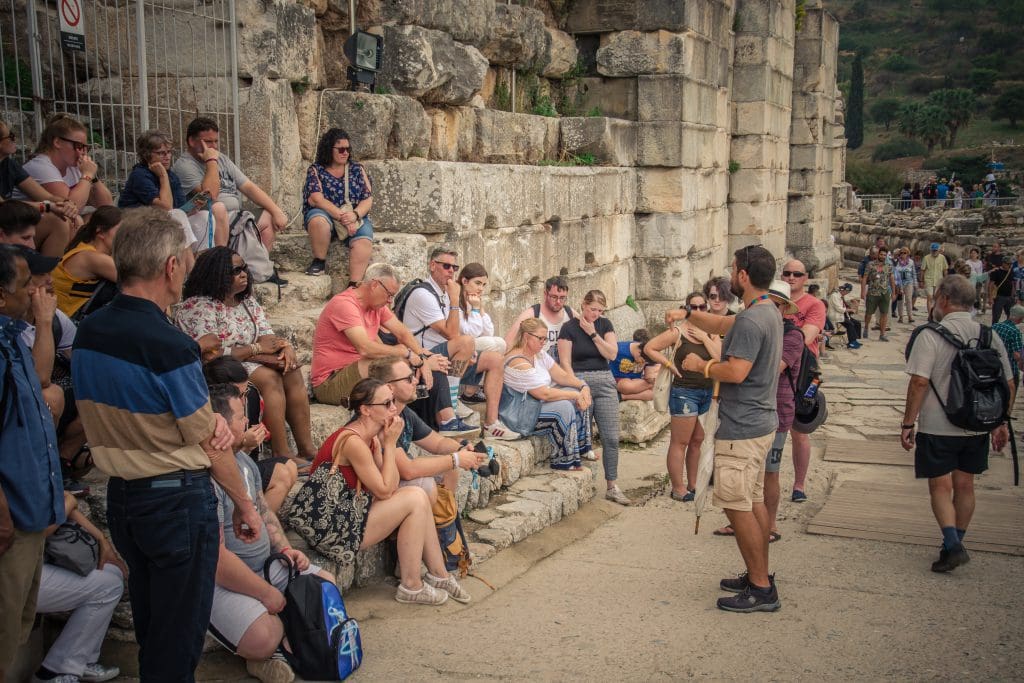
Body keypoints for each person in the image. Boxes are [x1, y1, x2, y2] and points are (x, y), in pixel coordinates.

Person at [71, 207, 261, 681]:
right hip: (175, 497)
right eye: (186, 259)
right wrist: (244, 503)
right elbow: (210, 441)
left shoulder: (89, 329)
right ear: (170, 267)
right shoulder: (170, 344)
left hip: (124, 497)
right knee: (178, 637)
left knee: (155, 625)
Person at [666, 244, 783, 613]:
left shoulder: (751, 320)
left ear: (744, 276)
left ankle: (761, 588)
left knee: (737, 507)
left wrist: (700, 366)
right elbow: (718, 324)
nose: (731, 274)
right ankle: (758, 573)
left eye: (734, 269)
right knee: (754, 500)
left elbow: (735, 371)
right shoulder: (766, 310)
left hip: (743, 427)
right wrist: (686, 314)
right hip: (760, 420)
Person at [204, 384, 333, 682]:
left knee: (325, 585)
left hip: (265, 567)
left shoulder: (244, 462)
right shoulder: (206, 478)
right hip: (225, 581)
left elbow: (265, 514)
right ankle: (268, 650)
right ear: (219, 423)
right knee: (264, 635)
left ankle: (282, 642)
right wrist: (266, 594)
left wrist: (287, 551)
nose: (247, 424)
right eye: (239, 418)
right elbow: (216, 560)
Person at [310, 378, 471, 606]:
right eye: (386, 404)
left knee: (417, 494)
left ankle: (439, 575)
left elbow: (391, 484)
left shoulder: (373, 437)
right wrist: (390, 444)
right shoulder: (353, 441)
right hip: (333, 527)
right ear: (365, 410)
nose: (394, 409)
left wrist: (386, 444)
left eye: (393, 401)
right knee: (415, 497)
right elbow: (385, 491)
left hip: (352, 513)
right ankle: (412, 586)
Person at [901, 275, 1012, 572]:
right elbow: (1009, 383)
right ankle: (955, 542)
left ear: (944, 300)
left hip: (939, 424)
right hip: (977, 423)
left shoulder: (931, 335)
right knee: (966, 485)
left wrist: (908, 423)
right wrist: (1000, 422)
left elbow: (920, 382)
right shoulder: (989, 335)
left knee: (940, 486)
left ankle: (952, 544)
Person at [176, 247, 315, 468]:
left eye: (244, 268)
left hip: (248, 358)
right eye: (235, 270)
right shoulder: (198, 306)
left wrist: (285, 347)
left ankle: (307, 449)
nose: (243, 274)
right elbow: (212, 352)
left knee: (292, 370)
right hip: (217, 365)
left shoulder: (247, 302)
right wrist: (256, 349)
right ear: (217, 274)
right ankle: (281, 451)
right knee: (270, 378)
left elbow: (268, 336)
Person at [0, 245, 66, 680]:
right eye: (27, 286)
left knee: (17, 627)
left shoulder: (13, 339)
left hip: (28, 513)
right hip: (9, 519)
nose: (37, 293)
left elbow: (42, 382)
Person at [309, 263, 474, 437]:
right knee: (394, 364)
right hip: (331, 381)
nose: (390, 301)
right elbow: (365, 348)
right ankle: (438, 419)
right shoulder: (345, 304)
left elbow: (402, 332)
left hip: (358, 372)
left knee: (428, 359)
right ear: (374, 285)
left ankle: (444, 419)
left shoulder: (376, 306)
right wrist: (407, 354)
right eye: (389, 295)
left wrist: (422, 356)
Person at [400, 247, 507, 437]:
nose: (451, 271)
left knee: (495, 359)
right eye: (446, 266)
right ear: (433, 266)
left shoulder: (443, 293)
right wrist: (455, 299)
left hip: (447, 355)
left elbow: (456, 331)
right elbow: (451, 333)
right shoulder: (423, 294)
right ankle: (451, 407)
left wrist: (468, 348)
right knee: (466, 342)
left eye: (454, 267)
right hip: (425, 352)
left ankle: (491, 423)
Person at [356, 357, 487, 502]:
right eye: (408, 379)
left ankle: (443, 522)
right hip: (368, 494)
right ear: (390, 388)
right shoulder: (380, 418)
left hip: (390, 480)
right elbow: (408, 470)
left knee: (450, 470)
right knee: (426, 485)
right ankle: (429, 522)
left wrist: (462, 449)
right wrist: (456, 459)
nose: (416, 381)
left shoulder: (404, 412)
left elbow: (437, 443)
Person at [32, 492, 124, 683]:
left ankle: (79, 663)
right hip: (16, 576)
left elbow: (62, 497)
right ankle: (54, 672)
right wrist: (66, 506)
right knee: (109, 587)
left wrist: (101, 539)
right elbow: (34, 534)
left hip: (35, 564)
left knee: (112, 572)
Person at [643, 292, 720, 503]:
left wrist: (704, 336)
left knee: (697, 441)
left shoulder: (712, 333)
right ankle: (678, 487)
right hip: (684, 391)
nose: (697, 312)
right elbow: (650, 347)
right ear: (686, 309)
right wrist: (668, 365)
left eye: (702, 307)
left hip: (707, 391)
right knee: (681, 442)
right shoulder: (678, 332)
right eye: (692, 307)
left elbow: (720, 358)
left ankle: (693, 484)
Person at [557, 289, 630, 505]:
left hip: (605, 381)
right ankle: (582, 485)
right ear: (583, 305)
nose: (596, 313)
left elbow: (612, 354)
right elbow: (565, 363)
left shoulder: (604, 325)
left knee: (611, 437)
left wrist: (592, 333)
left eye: (600, 310)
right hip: (581, 381)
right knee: (583, 438)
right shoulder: (568, 328)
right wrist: (577, 387)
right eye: (592, 309)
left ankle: (612, 485)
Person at [171, 117, 287, 252]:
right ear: (191, 141)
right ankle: (223, 261)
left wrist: (276, 211)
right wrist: (211, 161)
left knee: (268, 216)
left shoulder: (222, 159)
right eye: (208, 142)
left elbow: (248, 187)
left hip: (235, 215)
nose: (214, 147)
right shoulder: (185, 165)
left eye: (216, 141)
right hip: (211, 217)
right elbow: (211, 195)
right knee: (219, 208)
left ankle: (259, 268)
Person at [203, 357, 299, 514]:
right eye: (237, 394)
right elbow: (214, 462)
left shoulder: (250, 397)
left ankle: (260, 529)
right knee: (281, 473)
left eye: (244, 392)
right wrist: (242, 444)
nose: (243, 400)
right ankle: (253, 528)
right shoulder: (208, 410)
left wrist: (247, 445)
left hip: (242, 467)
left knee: (287, 466)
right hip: (216, 476)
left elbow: (248, 464)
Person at [500, 318, 595, 472]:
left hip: (535, 406)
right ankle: (565, 460)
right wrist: (573, 395)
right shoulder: (517, 361)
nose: (544, 342)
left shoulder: (539, 355)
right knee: (564, 406)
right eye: (540, 338)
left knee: (577, 394)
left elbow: (562, 376)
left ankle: (582, 448)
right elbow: (543, 393)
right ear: (526, 337)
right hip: (520, 415)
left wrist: (583, 386)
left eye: (545, 338)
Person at [11, 115, 114, 255]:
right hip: (23, 227)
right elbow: (70, 207)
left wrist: (93, 177)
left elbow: (106, 205)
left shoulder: (73, 166)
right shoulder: (41, 166)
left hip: (53, 225)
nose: (82, 152)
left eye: (86, 148)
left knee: (101, 218)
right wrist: (87, 176)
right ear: (58, 142)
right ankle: (64, 270)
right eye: (78, 146)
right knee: (66, 219)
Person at [119, 129, 218, 265]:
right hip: (137, 225)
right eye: (161, 153)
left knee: (205, 217)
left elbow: (179, 210)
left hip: (163, 222)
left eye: (169, 152)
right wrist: (162, 176)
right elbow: (166, 207)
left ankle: (205, 265)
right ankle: (191, 270)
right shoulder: (140, 175)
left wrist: (193, 206)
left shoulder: (172, 176)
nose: (167, 157)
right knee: (176, 215)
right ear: (147, 155)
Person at [780, 259, 826, 502]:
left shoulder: (814, 305)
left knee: (800, 430)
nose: (791, 277)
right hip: (779, 368)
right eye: (787, 273)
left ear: (805, 277)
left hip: (805, 372)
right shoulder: (774, 300)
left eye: (796, 274)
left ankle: (799, 484)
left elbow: (807, 335)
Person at [302, 128, 373, 282]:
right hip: (327, 214)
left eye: (348, 149)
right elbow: (316, 199)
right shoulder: (316, 170)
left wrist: (354, 215)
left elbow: (367, 199)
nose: (345, 153)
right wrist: (343, 218)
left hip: (354, 215)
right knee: (318, 221)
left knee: (364, 241)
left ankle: (353, 285)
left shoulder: (357, 169)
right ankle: (319, 261)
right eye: (341, 149)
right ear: (329, 149)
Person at [0, 118, 78, 257]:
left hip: (8, 223)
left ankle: (47, 275)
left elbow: (45, 196)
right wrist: (48, 206)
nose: (14, 138)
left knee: (66, 218)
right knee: (57, 222)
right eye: (10, 136)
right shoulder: (40, 165)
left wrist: (65, 203)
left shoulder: (9, 164)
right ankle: (45, 275)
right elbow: (3, 205)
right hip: (6, 224)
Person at [763, 280, 803, 544]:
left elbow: (772, 368)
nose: (771, 309)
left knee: (770, 470)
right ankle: (745, 520)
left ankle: (770, 523)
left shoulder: (792, 336)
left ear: (785, 309)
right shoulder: (762, 330)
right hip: (754, 409)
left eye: (776, 305)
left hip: (778, 410)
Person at [52, 206, 120, 320]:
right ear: (101, 233)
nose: (125, 237)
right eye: (121, 232)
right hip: (65, 321)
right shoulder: (92, 258)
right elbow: (137, 281)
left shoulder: (85, 247)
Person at [455, 262, 505, 402]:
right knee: (492, 344)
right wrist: (476, 309)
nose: (481, 289)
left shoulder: (472, 299)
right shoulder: (455, 299)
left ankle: (471, 391)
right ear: (465, 281)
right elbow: (471, 332)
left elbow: (488, 331)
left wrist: (480, 308)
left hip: (468, 343)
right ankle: (470, 391)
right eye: (477, 283)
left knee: (500, 343)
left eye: (483, 285)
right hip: (457, 345)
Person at [504, 275, 575, 364]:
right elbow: (508, 343)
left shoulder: (570, 314)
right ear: (545, 294)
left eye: (562, 298)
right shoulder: (532, 314)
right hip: (538, 369)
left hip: (564, 368)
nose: (558, 302)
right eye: (554, 297)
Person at [609, 329, 656, 401]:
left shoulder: (648, 353)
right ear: (639, 352)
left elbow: (649, 376)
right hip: (619, 380)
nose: (643, 363)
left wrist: (651, 379)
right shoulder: (619, 349)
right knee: (626, 385)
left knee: (654, 394)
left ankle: (622, 396)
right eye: (643, 361)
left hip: (637, 382)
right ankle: (629, 393)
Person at [862, 246, 896, 342]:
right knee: (869, 313)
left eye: (885, 255)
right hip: (873, 292)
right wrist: (863, 291)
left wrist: (894, 292)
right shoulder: (870, 264)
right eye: (881, 254)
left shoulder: (889, 265)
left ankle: (882, 334)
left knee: (884, 313)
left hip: (884, 292)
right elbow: (865, 278)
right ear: (878, 254)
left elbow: (892, 279)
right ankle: (866, 327)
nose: (883, 256)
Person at [992, 306, 1023, 397]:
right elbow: (1017, 355)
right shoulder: (1015, 331)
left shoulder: (995, 326)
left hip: (994, 367)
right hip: (1010, 369)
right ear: (1020, 319)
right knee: (1010, 396)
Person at [827, 283, 862, 349]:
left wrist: (853, 301)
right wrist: (850, 310)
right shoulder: (834, 296)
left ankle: (854, 340)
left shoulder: (841, 295)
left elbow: (847, 300)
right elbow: (839, 309)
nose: (847, 293)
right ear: (843, 290)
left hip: (843, 315)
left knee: (857, 323)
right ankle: (851, 343)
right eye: (847, 292)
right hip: (836, 315)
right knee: (850, 324)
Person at [988, 248, 1013, 325]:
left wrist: (1013, 295)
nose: (1009, 265)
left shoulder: (1010, 271)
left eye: (1010, 264)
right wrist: (990, 298)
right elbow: (991, 285)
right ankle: (994, 332)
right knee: (996, 317)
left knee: (1010, 316)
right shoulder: (996, 271)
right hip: (999, 297)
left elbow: (1012, 283)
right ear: (1003, 263)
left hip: (1009, 297)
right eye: (1007, 264)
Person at [893, 248, 918, 324]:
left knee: (908, 299)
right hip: (899, 283)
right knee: (900, 300)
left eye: (905, 253)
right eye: (901, 253)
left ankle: (910, 316)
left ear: (908, 254)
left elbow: (913, 273)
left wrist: (915, 283)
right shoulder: (897, 262)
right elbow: (894, 272)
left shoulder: (911, 262)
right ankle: (901, 316)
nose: (903, 254)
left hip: (908, 282)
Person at [965, 247, 986, 312]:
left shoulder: (980, 262)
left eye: (974, 253)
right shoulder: (967, 262)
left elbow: (981, 271)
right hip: (970, 280)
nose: (973, 254)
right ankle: (970, 307)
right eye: (972, 253)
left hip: (978, 280)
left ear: (977, 254)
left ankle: (979, 308)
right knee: (970, 294)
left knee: (978, 295)